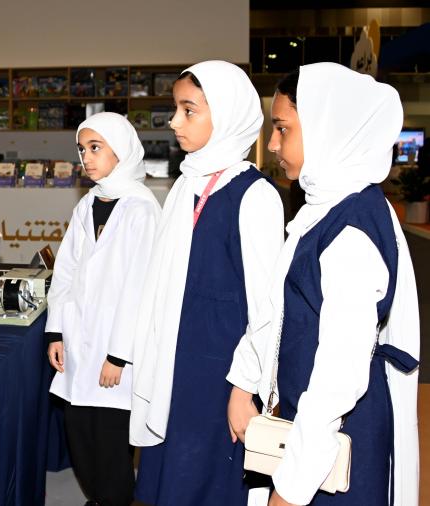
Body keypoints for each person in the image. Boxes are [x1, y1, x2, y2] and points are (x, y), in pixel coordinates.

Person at [227, 63, 420, 506]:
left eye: (282, 129)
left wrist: (291, 489)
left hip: (335, 439)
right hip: (310, 426)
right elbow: (276, 311)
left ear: (326, 128)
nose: (272, 144)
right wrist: (245, 383)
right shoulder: (327, 203)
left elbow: (338, 375)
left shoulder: (352, 229)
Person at [129, 61, 285, 506]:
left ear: (228, 113)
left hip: (220, 376)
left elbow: (266, 309)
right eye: (175, 109)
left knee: (208, 486)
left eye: (189, 110)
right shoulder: (187, 185)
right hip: (175, 369)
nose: (175, 121)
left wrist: (243, 389)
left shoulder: (255, 196)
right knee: (171, 482)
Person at [46, 112, 161, 506]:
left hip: (115, 357)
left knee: (111, 447)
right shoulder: (88, 204)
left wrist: (118, 355)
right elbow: (65, 271)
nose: (86, 158)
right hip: (79, 346)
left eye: (96, 148)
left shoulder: (141, 210)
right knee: (80, 438)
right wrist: (56, 332)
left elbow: (139, 291)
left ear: (123, 150)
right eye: (82, 149)